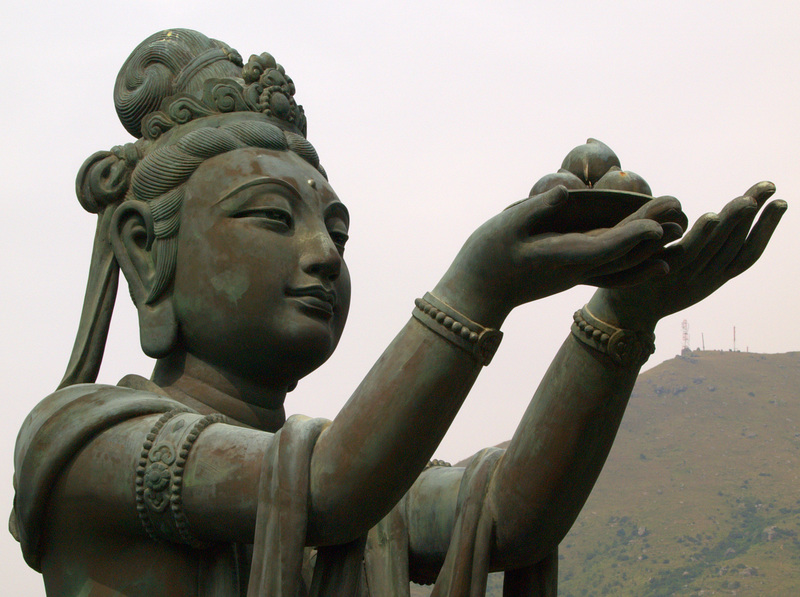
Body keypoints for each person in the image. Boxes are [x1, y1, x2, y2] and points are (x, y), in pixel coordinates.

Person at [10, 29, 786, 597]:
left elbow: (508, 511)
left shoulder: (354, 477)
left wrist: (619, 318)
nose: (322, 254)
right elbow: (325, 488)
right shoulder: (84, 445)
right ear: (147, 251)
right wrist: (479, 286)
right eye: (274, 220)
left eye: (336, 231)